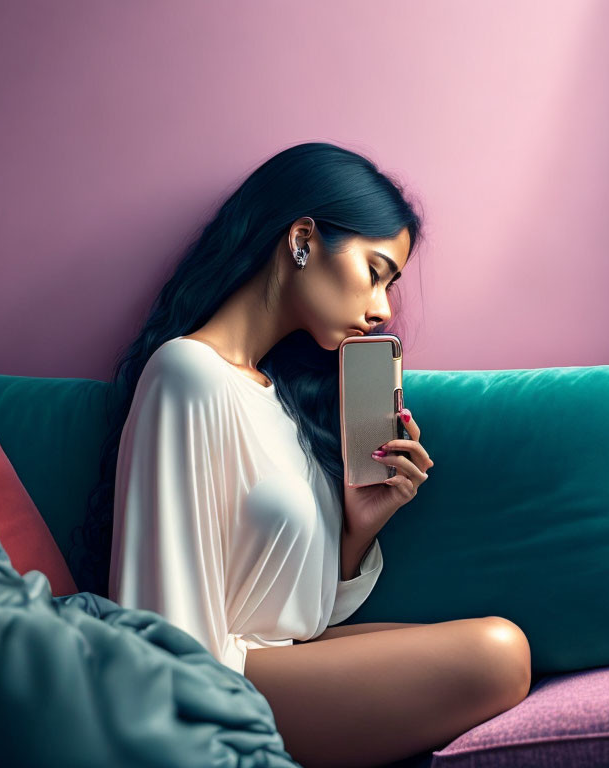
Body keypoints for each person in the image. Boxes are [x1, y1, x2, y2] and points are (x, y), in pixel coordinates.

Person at [78, 142, 531, 767]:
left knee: (504, 649)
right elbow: (165, 626)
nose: (381, 310)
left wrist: (358, 530)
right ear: (301, 241)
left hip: (277, 664)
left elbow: (302, 617)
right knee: (499, 651)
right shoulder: (187, 373)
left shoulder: (281, 397)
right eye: (375, 272)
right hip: (205, 690)